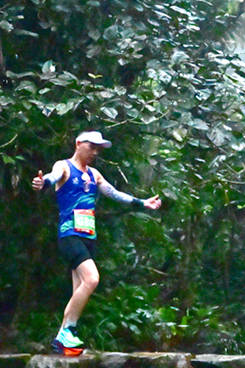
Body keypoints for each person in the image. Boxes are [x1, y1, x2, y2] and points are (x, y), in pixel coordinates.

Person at [32, 131, 161, 356]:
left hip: (88, 236)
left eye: (98, 149)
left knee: (79, 289)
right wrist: (43, 183)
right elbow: (52, 177)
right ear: (78, 144)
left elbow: (114, 193)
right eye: (92, 147)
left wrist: (142, 203)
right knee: (92, 279)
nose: (95, 152)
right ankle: (67, 331)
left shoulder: (94, 174)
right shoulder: (63, 166)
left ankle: (63, 340)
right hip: (69, 234)